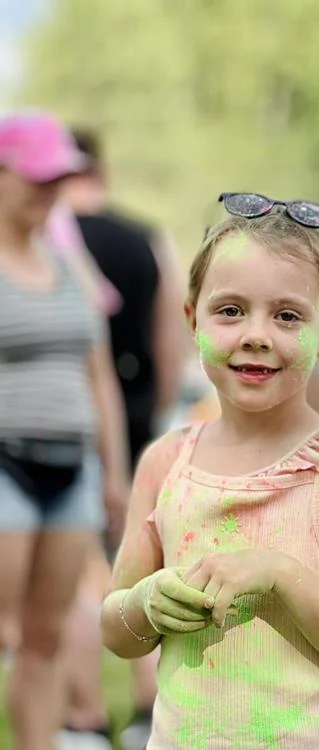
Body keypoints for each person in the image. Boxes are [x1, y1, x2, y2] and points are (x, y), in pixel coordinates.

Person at [100, 194, 319, 749]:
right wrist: (148, 603)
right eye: (231, 310)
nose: (256, 334)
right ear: (193, 320)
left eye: (287, 315)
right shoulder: (166, 464)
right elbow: (116, 631)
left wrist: (280, 575)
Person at [0, 110, 130, 750]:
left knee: (47, 635)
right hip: (4, 462)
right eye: (35, 177)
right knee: (6, 629)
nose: (49, 190)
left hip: (72, 466)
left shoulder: (67, 264)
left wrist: (115, 473)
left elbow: (99, 374)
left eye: (59, 178)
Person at [56, 127, 190, 749]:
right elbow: (171, 337)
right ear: (101, 171)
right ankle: (145, 710)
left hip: (65, 417)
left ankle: (81, 716)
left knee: (79, 570)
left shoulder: (46, 239)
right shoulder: (146, 238)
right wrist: (154, 409)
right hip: (136, 411)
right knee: (140, 560)